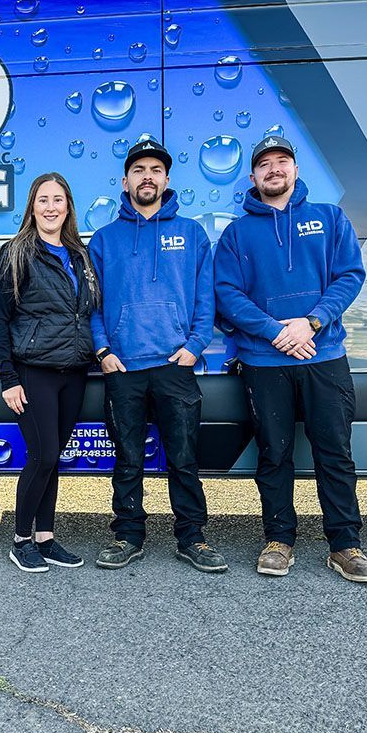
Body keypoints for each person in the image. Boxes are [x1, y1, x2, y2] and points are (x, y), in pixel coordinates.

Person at [214, 135, 367, 583]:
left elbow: (349, 276)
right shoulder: (236, 234)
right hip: (264, 362)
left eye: (282, 161)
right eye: (264, 164)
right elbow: (227, 294)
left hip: (324, 355)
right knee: (274, 453)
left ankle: (344, 545)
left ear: (295, 169)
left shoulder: (329, 218)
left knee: (334, 452)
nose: (274, 169)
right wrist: (276, 331)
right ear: (253, 176)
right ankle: (278, 540)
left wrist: (312, 322)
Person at [89, 139, 227, 572]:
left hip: (174, 365)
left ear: (166, 180)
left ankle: (192, 537)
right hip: (123, 367)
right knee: (128, 460)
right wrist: (103, 349)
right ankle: (128, 536)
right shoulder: (104, 240)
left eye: (155, 170)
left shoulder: (191, 234)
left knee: (184, 459)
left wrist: (195, 346)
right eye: (139, 170)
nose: (147, 177)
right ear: (125, 181)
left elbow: (206, 298)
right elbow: (91, 304)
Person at [0, 172, 100, 573]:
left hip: (75, 371)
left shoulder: (79, 254)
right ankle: (21, 540)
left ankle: (45, 538)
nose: (51, 207)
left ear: (68, 206)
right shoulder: (16, 252)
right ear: (32, 207)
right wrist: (8, 379)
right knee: (43, 454)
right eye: (43, 200)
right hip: (34, 371)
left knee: (53, 459)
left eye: (58, 199)